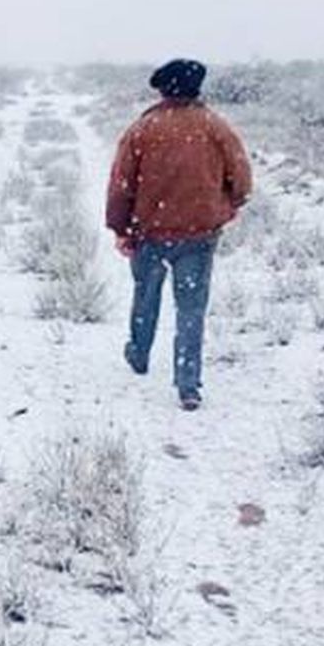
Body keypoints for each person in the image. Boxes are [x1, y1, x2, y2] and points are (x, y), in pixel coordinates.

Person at [104, 59, 252, 411]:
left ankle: (139, 353)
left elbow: (120, 185)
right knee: (191, 308)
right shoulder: (217, 127)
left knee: (146, 295)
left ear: (162, 89)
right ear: (196, 88)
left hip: (149, 232)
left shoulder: (143, 129)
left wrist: (120, 228)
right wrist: (225, 208)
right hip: (199, 235)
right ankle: (188, 384)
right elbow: (242, 180)